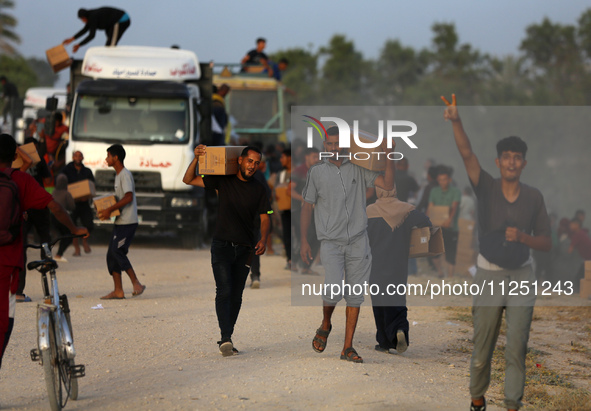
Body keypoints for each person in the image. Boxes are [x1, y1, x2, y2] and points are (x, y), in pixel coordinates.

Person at [442, 94, 551, 411]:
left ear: (524, 163)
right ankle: (477, 399)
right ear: (498, 162)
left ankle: (513, 403)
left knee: (517, 346)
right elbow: (466, 154)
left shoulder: (534, 197)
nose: (512, 162)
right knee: (483, 345)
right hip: (488, 273)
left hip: (521, 276)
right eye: (507, 157)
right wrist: (456, 120)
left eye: (517, 157)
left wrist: (524, 238)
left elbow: (546, 242)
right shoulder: (486, 187)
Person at [300, 125, 395, 364]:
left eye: (338, 144)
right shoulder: (317, 172)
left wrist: (388, 155)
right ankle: (325, 323)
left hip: (358, 241)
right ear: (325, 146)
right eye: (330, 144)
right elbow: (306, 206)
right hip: (330, 242)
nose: (334, 148)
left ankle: (347, 347)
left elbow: (387, 184)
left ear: (345, 145)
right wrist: (303, 240)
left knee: (355, 296)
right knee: (333, 289)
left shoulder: (359, 167)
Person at [0, 133, 88, 370]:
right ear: (13, 156)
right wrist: (74, 228)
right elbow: (55, 207)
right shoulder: (21, 180)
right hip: (7, 262)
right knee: (3, 323)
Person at [182, 145, 271, 356]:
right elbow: (188, 179)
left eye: (257, 163)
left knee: (237, 295)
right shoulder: (222, 180)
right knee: (224, 290)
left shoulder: (260, 189)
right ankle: (226, 337)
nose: (253, 166)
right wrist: (195, 159)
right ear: (239, 161)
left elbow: (266, 217)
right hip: (221, 245)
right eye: (250, 161)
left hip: (245, 248)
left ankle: (227, 336)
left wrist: (264, 238)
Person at [367, 186, 431, 354]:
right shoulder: (406, 210)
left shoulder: (368, 212)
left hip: (375, 265)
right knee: (396, 298)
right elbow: (426, 222)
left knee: (379, 302)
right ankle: (400, 329)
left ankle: (384, 342)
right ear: (395, 190)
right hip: (398, 264)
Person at [98, 144, 146, 300]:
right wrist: (107, 209)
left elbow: (128, 197)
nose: (106, 159)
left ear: (115, 157)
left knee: (118, 251)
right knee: (111, 254)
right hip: (120, 221)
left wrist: (109, 209)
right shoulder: (118, 175)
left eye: (108, 156)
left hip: (128, 222)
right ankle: (118, 290)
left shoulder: (125, 174)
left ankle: (136, 283)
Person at [16, 138, 53, 303]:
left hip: (26, 205)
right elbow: (47, 181)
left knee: (22, 245)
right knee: (44, 238)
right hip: (36, 203)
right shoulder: (34, 161)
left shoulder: (13, 162)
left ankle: (18, 290)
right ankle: (46, 263)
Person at [428, 165, 461, 278]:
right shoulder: (434, 191)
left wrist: (449, 220)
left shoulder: (455, 192)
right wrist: (428, 220)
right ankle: (440, 272)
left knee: (451, 253)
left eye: (445, 179)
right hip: (437, 226)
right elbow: (431, 207)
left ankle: (450, 276)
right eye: (440, 180)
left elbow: (454, 208)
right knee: (434, 252)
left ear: (449, 180)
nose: (442, 182)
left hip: (452, 227)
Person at [291, 147, 320, 274]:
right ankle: (294, 261)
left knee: (317, 235)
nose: (317, 159)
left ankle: (305, 266)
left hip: (313, 209)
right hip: (298, 209)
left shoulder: (318, 171)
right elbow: (289, 190)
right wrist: (304, 199)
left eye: (318, 156)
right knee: (306, 234)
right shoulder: (299, 171)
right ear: (306, 157)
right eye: (314, 156)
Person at [62, 150, 95, 256]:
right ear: (72, 157)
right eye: (76, 156)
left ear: (83, 158)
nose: (78, 158)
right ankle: (76, 248)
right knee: (72, 225)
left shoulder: (87, 171)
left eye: (80, 156)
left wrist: (87, 196)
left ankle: (85, 241)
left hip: (84, 202)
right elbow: (62, 183)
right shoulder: (66, 170)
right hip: (72, 204)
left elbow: (92, 186)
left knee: (89, 224)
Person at [249, 155, 273, 288]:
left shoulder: (236, 175)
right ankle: (255, 275)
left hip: (248, 218)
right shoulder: (259, 175)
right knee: (255, 246)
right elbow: (268, 193)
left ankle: (253, 276)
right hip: (255, 217)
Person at [63, 7, 131, 52]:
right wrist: (72, 39)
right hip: (111, 24)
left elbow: (92, 35)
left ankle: (111, 62)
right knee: (108, 44)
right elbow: (85, 30)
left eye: (82, 19)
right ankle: (107, 58)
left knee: (112, 44)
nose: (82, 21)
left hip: (121, 20)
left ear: (85, 17)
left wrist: (79, 45)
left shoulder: (93, 17)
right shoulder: (89, 17)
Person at [51, 174, 76, 262]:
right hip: (62, 217)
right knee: (68, 236)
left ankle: (50, 254)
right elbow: (72, 206)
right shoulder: (66, 193)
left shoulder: (53, 192)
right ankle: (59, 254)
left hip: (52, 217)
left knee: (60, 235)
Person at [277, 149, 292, 269]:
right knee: (286, 234)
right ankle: (290, 259)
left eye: (283, 157)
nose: (281, 160)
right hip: (285, 209)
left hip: (298, 208)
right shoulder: (281, 174)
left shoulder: (297, 172)